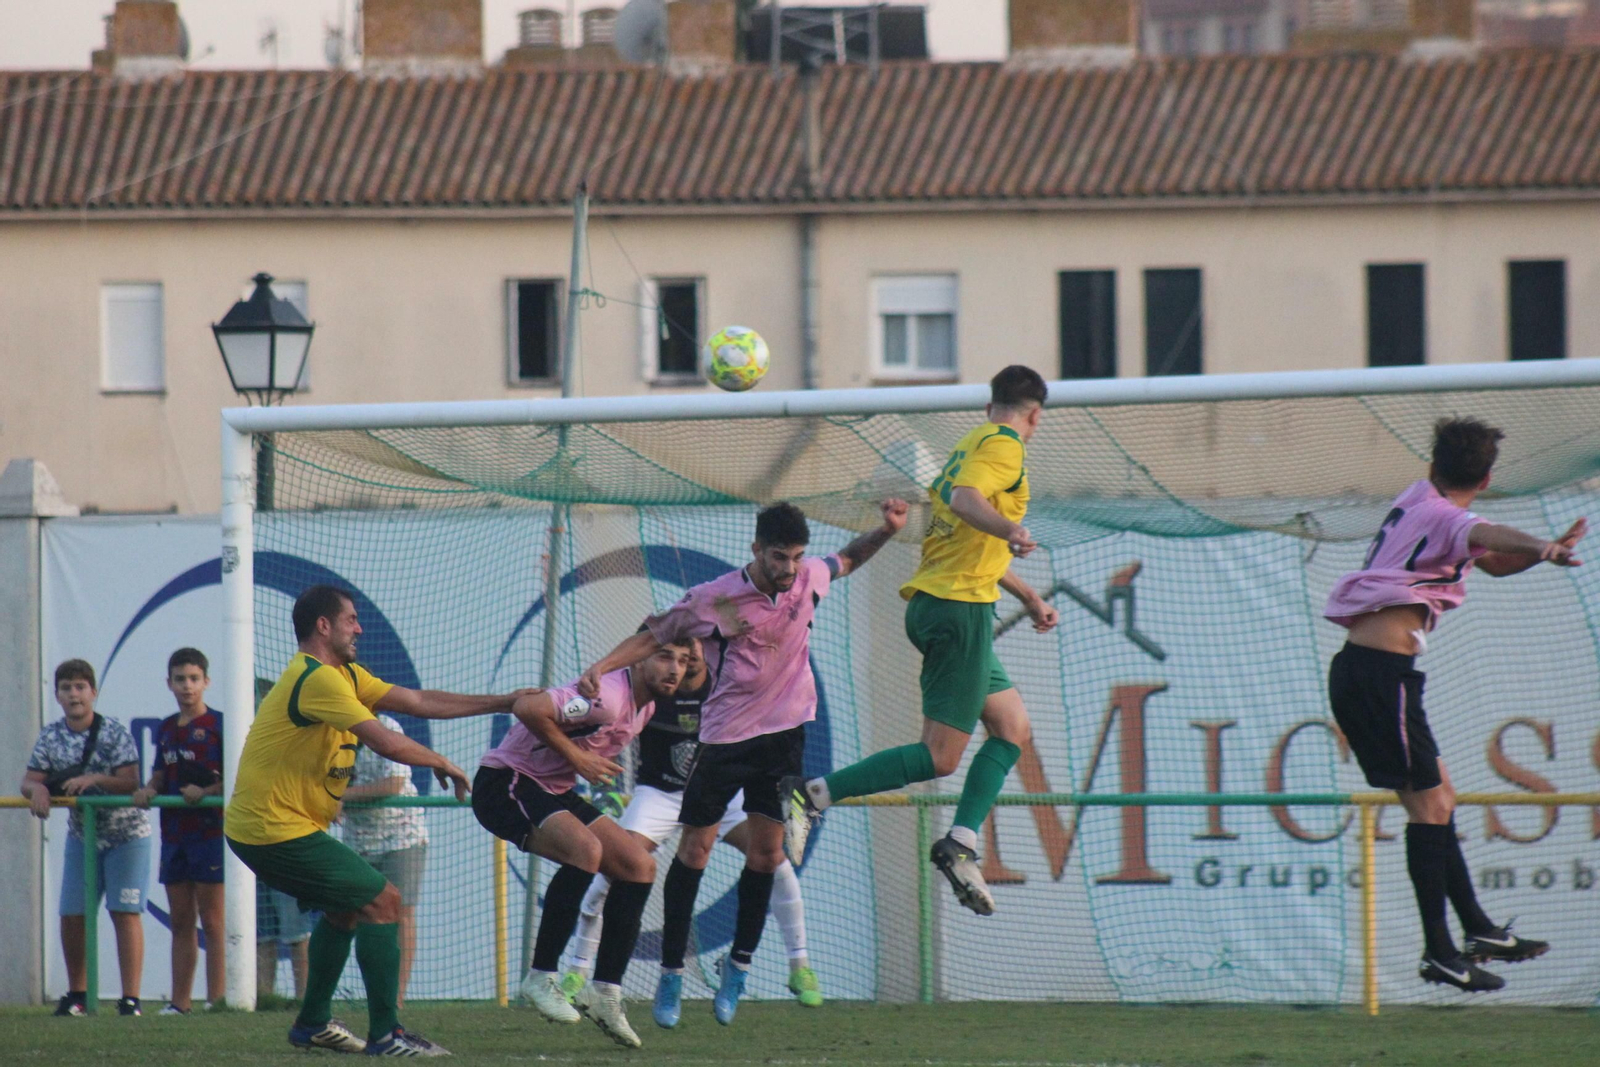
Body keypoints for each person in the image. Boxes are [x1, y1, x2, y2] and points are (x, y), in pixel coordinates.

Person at [578, 498, 906, 1027]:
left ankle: (738, 969)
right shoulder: (714, 599)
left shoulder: (808, 580)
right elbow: (653, 635)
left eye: (797, 556)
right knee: (696, 848)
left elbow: (848, 557)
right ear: (756, 549)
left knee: (768, 857)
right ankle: (671, 975)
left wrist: (887, 530)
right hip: (726, 739)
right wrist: (603, 664)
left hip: (786, 742)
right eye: (780, 556)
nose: (790, 568)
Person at [782, 366, 1059, 918]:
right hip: (959, 614)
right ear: (1035, 415)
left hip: (947, 604)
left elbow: (967, 540)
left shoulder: (969, 444)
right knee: (940, 757)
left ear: (989, 405)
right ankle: (811, 794)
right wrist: (1013, 530)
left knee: (1011, 729)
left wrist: (1027, 596)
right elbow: (964, 500)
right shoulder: (1004, 448)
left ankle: (960, 842)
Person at [1323, 417, 1580, 992]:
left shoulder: (1418, 498)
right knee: (1429, 807)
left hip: (1377, 675)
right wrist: (1540, 542)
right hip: (1376, 677)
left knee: (1442, 798)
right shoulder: (1449, 517)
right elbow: (1486, 531)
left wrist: (1542, 554)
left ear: (1431, 466)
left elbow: (1489, 555)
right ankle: (1440, 952)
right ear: (1487, 479)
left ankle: (1478, 930)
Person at [225, 584, 531, 1056]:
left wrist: (504, 702)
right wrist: (440, 761)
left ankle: (312, 1023)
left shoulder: (343, 674)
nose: (360, 627)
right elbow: (386, 742)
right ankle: (388, 1035)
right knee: (384, 901)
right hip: (270, 828)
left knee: (347, 907)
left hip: (278, 826)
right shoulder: (317, 678)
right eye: (351, 619)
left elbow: (419, 701)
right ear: (323, 626)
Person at [560, 637, 823, 1008]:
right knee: (611, 868)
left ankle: (800, 964)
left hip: (721, 794)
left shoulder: (726, 687)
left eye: (695, 648)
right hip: (659, 795)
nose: (688, 658)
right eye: (672, 654)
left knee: (774, 860)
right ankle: (578, 968)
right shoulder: (651, 690)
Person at [472, 640, 692, 1049]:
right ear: (640, 658)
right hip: (506, 782)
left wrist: (575, 763)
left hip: (552, 788)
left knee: (638, 867)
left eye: (684, 661)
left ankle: (605, 992)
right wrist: (578, 758)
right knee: (585, 851)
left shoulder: (644, 708)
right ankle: (540, 976)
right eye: (665, 656)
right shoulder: (607, 696)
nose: (675, 669)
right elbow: (528, 709)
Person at [22, 659, 153, 1017]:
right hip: (83, 836)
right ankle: (77, 994)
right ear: (57, 695)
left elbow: (130, 781)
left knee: (125, 912)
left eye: (80, 687)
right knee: (72, 914)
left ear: (93, 692)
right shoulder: (50, 735)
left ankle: (131, 1000)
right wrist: (39, 791)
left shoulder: (113, 732)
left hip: (127, 836)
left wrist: (93, 780)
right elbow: (31, 779)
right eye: (66, 688)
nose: (74, 695)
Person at [131, 648, 225, 1015]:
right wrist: (149, 787)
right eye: (180, 679)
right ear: (168, 683)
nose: (187, 686)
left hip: (211, 835)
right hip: (174, 835)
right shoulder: (167, 727)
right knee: (182, 920)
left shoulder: (220, 725)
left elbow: (235, 780)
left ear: (207, 682)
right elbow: (160, 770)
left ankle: (218, 1000)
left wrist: (206, 793)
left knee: (214, 921)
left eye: (194, 679)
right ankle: (179, 1002)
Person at [339, 712, 429, 1009]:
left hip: (400, 834)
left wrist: (343, 797)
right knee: (349, 916)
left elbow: (393, 783)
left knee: (401, 911)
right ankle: (365, 994)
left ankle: (395, 1000)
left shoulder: (387, 728)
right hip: (356, 839)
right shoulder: (329, 731)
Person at [256, 883, 312, 1001]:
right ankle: (265, 1001)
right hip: (252, 869)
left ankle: (305, 1002)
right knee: (262, 938)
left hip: (288, 869)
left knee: (297, 935)